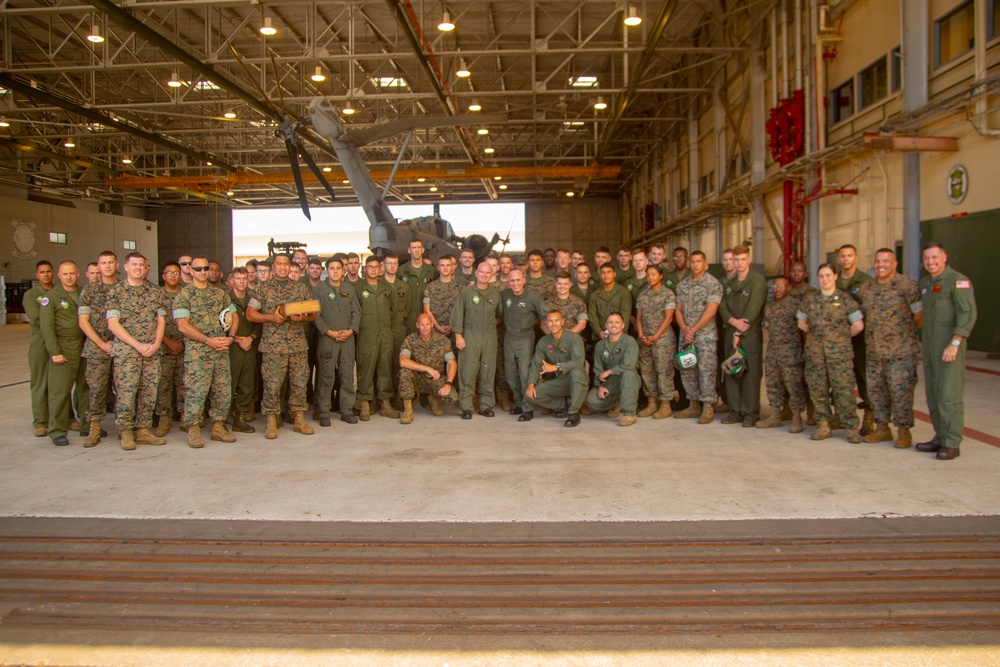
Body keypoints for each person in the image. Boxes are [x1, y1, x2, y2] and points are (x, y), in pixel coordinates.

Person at [855, 249, 922, 448]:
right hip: (874, 351)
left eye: (885, 261)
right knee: (876, 391)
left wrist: (902, 335)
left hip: (901, 352)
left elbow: (919, 317)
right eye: (877, 261)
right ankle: (882, 427)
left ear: (895, 264)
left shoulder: (907, 286)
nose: (881, 265)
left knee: (901, 392)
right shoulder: (866, 288)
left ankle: (903, 430)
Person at [915, 243, 977, 461]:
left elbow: (967, 314)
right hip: (931, 346)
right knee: (933, 394)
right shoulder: (925, 284)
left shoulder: (958, 281)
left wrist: (955, 343)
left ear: (944, 257)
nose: (931, 262)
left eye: (935, 257)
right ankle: (940, 436)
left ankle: (952, 442)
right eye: (926, 259)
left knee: (949, 395)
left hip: (949, 345)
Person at [246, 253, 317, 439]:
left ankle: (299, 419)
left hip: (297, 345)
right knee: (272, 384)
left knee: (300, 382)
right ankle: (271, 420)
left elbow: (313, 313)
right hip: (272, 346)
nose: (283, 267)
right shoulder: (262, 289)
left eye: (286, 264)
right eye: (279, 264)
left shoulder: (301, 288)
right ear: (273, 267)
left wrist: (303, 317)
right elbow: (250, 314)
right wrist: (271, 317)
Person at [174, 257, 239, 447]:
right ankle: (193, 429)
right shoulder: (184, 296)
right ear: (191, 271)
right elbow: (182, 325)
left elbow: (234, 316)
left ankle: (218, 427)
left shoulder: (220, 294)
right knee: (196, 391)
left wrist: (231, 337)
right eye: (199, 269)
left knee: (222, 390)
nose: (203, 272)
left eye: (206, 268)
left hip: (220, 349)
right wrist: (206, 340)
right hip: (198, 352)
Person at [797, 263, 864, 443]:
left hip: (839, 355)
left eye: (828, 275)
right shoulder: (810, 299)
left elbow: (858, 325)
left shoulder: (845, 299)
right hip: (815, 354)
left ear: (835, 276)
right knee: (818, 391)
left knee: (844, 391)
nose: (824, 279)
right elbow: (801, 322)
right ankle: (824, 424)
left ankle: (850, 427)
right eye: (821, 276)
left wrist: (840, 338)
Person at [106, 252, 166, 451]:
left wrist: (156, 344)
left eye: (141, 265)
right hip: (127, 353)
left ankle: (143, 430)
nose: (138, 268)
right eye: (134, 265)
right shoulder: (117, 292)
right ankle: (125, 431)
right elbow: (113, 324)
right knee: (126, 392)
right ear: (125, 267)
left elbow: (161, 320)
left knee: (149, 392)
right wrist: (136, 345)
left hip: (151, 351)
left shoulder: (155, 292)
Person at [39, 260, 87, 446]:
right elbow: (47, 328)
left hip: (84, 346)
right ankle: (57, 430)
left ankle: (86, 424)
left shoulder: (84, 292)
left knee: (85, 389)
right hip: (64, 348)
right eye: (65, 274)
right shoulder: (51, 297)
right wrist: (55, 352)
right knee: (59, 391)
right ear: (59, 276)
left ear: (78, 274)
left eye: (72, 273)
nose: (69, 277)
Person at [718, 244, 767, 427]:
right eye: (735, 260)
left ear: (749, 259)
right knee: (731, 370)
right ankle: (735, 411)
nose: (738, 263)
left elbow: (753, 309)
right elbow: (721, 306)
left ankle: (750, 413)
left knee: (750, 374)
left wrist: (739, 330)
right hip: (730, 331)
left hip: (749, 334)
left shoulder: (757, 282)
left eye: (742, 259)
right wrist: (732, 322)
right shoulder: (727, 284)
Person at [674, 250, 722, 424]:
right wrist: (684, 329)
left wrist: (693, 330)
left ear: (705, 264)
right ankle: (694, 404)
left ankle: (708, 405)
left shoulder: (712, 284)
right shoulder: (683, 285)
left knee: (706, 371)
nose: (695, 265)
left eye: (698, 261)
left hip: (705, 336)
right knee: (687, 369)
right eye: (692, 262)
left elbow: (711, 311)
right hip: (686, 335)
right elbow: (678, 310)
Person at [313, 256, 360, 427]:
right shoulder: (319, 290)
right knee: (326, 375)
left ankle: (346, 410)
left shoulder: (350, 289)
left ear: (343, 270)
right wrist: (329, 332)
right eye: (331, 268)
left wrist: (350, 331)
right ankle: (324, 411)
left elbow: (356, 311)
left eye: (338, 268)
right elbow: (315, 315)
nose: (335, 271)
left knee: (347, 375)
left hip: (347, 338)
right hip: (328, 338)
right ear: (327, 270)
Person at [451, 260, 502, 419]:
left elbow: (500, 314)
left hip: (489, 337)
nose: (485, 275)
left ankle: (485, 405)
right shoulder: (466, 293)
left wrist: (491, 324)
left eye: (488, 273)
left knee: (488, 370)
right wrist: (458, 335)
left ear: (491, 274)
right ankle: (467, 406)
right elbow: (458, 314)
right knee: (468, 370)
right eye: (482, 272)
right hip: (470, 337)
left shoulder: (495, 293)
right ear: (476, 273)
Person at [78, 250, 119, 446]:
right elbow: (84, 322)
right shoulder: (89, 291)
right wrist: (102, 344)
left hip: (123, 349)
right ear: (98, 266)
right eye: (103, 263)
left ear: (117, 265)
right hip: (97, 349)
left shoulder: (124, 289)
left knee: (125, 390)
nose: (108, 266)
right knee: (96, 390)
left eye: (111, 262)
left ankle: (125, 427)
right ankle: (93, 428)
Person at [756, 276, 807, 432]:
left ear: (788, 288)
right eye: (775, 287)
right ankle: (775, 414)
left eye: (781, 286)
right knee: (773, 384)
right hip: (773, 351)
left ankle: (797, 417)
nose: (778, 289)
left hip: (791, 352)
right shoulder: (769, 307)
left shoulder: (796, 306)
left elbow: (804, 329)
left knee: (793, 385)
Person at [523, 310, 588, 426]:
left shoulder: (574, 338)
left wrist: (556, 367)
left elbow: (578, 362)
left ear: (562, 322)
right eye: (550, 321)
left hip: (577, 380)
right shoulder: (544, 341)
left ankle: (574, 413)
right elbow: (536, 365)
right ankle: (563, 405)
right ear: (546, 324)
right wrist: (531, 384)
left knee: (576, 373)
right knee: (531, 394)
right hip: (561, 382)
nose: (554, 324)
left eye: (557, 320)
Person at [354, 255, 398, 419]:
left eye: (376, 267)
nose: (373, 270)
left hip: (385, 334)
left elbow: (393, 311)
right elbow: (355, 311)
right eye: (370, 267)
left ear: (380, 269)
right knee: (365, 368)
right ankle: (365, 403)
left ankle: (385, 402)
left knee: (385, 367)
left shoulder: (387, 288)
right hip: (366, 334)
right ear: (365, 269)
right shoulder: (358, 288)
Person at [501, 269, 550, 416]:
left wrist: (554, 330)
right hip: (509, 336)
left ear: (523, 280)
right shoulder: (505, 295)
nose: (515, 283)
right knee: (510, 372)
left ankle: (528, 408)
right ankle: (519, 403)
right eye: (512, 280)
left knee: (524, 372)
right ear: (508, 282)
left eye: (518, 280)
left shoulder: (532, 297)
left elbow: (547, 313)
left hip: (525, 337)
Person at [836, 244, 873, 434]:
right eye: (842, 256)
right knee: (839, 377)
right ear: (838, 259)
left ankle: (869, 415)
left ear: (856, 258)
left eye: (849, 256)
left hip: (859, 337)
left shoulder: (866, 281)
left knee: (862, 375)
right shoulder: (833, 280)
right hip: (837, 338)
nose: (846, 259)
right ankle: (841, 415)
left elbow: (868, 310)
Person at [398, 313, 459, 423]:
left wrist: (448, 384)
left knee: (452, 397)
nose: (425, 328)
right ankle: (408, 410)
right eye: (422, 325)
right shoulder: (410, 340)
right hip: (417, 379)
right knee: (404, 373)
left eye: (427, 324)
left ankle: (434, 399)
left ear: (432, 325)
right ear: (417, 325)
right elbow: (403, 361)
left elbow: (452, 363)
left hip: (434, 379)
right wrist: (427, 368)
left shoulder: (442, 341)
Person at [635, 263, 676, 419]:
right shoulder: (643, 295)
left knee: (663, 371)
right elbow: (638, 317)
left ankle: (665, 405)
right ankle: (652, 403)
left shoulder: (668, 294)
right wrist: (641, 335)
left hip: (663, 339)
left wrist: (656, 336)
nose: (650, 277)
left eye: (653, 274)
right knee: (647, 370)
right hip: (645, 339)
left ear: (661, 276)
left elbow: (669, 318)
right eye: (648, 274)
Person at [585, 312, 641, 426]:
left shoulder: (630, 342)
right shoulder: (600, 345)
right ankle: (618, 403)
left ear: (623, 325)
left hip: (626, 380)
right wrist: (599, 385)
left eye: (617, 322)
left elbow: (629, 365)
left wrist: (609, 371)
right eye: (610, 322)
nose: (613, 325)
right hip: (610, 382)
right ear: (606, 325)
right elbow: (597, 368)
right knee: (590, 401)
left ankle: (629, 414)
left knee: (629, 374)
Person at [227, 266, 260, 434]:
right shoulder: (224, 299)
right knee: (228, 383)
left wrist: (251, 338)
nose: (241, 282)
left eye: (244, 279)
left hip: (249, 346)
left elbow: (259, 323)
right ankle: (222, 416)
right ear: (232, 280)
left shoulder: (253, 300)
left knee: (247, 384)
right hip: (229, 348)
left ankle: (240, 417)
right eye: (238, 278)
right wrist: (233, 338)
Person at [154, 262, 186, 437]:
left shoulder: (187, 294)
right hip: (164, 348)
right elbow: (153, 322)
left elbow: (193, 320)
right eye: (169, 272)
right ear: (163, 275)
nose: (173, 275)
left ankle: (183, 416)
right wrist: (168, 342)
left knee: (184, 383)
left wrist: (181, 343)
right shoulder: (156, 295)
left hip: (184, 346)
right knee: (163, 385)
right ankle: (163, 418)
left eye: (176, 272)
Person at [24, 260, 55, 437]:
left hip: (60, 343)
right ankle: (41, 422)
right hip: (41, 344)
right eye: (42, 272)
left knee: (59, 384)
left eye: (48, 271)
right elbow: (37, 319)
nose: (45, 274)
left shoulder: (59, 292)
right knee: (40, 383)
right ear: (37, 275)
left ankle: (63, 418)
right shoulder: (31, 295)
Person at [382, 251, 411, 402]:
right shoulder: (378, 284)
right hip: (382, 330)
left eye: (395, 264)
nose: (392, 266)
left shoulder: (403, 287)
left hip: (399, 330)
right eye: (389, 263)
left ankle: (397, 397)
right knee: (383, 364)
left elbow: (406, 309)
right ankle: (381, 398)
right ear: (383, 265)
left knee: (397, 364)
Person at [398, 239, 437, 333]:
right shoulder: (401, 271)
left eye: (419, 247)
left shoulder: (432, 271)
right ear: (409, 250)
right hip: (407, 319)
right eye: (414, 247)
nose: (416, 250)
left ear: (423, 250)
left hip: (427, 318)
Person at [587, 263, 632, 342]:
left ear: (614, 274)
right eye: (603, 273)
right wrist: (599, 332)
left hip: (620, 337)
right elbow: (592, 317)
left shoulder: (623, 293)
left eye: (609, 272)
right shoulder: (595, 295)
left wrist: (617, 334)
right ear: (600, 276)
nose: (606, 275)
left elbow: (625, 315)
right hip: (600, 338)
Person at [424, 254, 462, 340]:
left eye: (448, 265)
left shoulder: (461, 288)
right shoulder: (430, 287)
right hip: (435, 333)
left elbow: (464, 311)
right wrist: (438, 327)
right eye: (442, 265)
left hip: (455, 334)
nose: (445, 268)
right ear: (438, 267)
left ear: (452, 267)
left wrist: (452, 326)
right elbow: (426, 310)